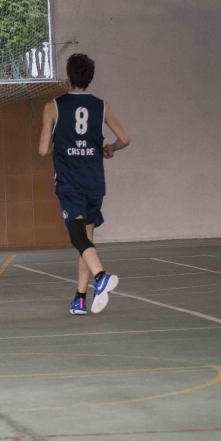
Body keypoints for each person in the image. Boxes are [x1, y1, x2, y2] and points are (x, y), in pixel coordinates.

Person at [39, 54, 130, 315]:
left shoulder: (53, 107)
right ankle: (80, 298)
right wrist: (111, 148)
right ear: (90, 78)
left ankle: (101, 277)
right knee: (86, 240)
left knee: (77, 237)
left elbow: (43, 149)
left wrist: (60, 143)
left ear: (68, 76)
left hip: (70, 181)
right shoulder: (102, 106)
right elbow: (125, 139)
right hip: (94, 181)